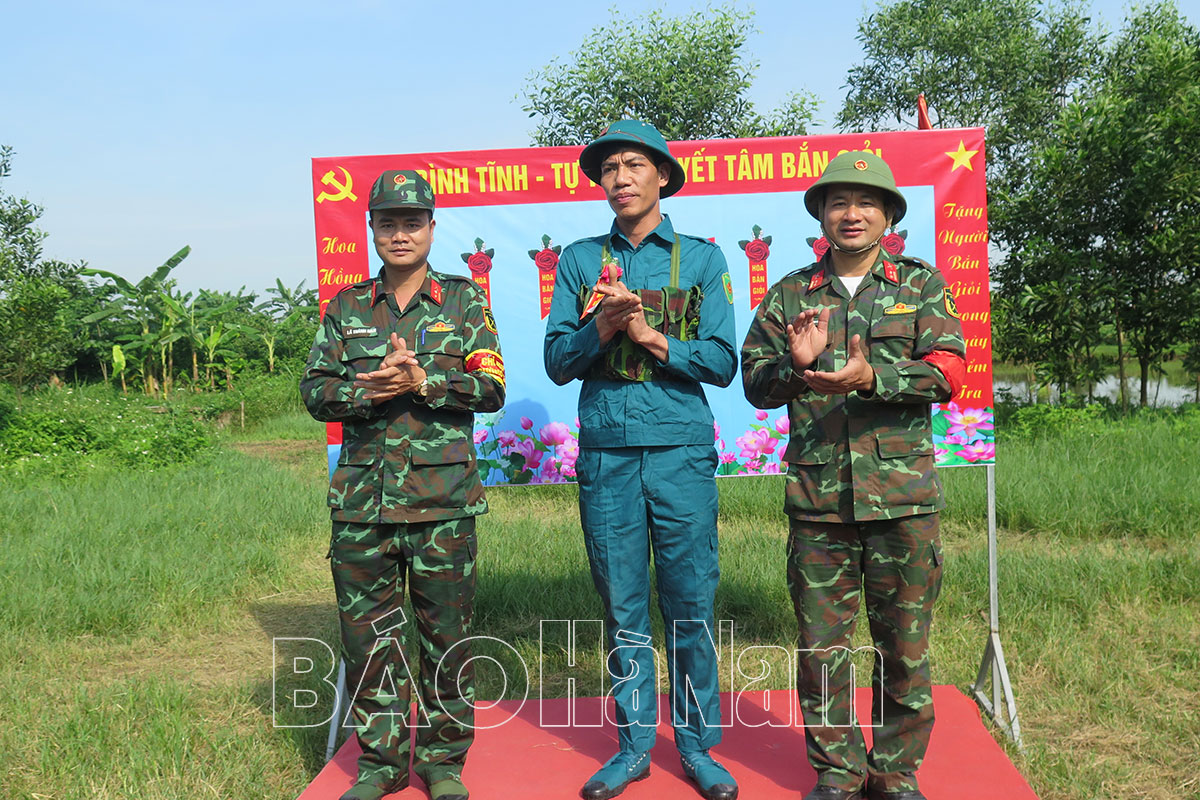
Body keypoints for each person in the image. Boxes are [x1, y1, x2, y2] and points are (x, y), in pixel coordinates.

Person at [740, 151, 966, 800]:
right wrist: (792, 362)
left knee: (905, 650)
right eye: (838, 202)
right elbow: (755, 384)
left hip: (903, 502)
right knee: (821, 653)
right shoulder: (789, 294)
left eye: (867, 202)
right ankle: (837, 773)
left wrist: (874, 376)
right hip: (819, 506)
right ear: (820, 214)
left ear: (889, 215)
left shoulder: (920, 286)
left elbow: (950, 373)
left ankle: (894, 774)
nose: (852, 213)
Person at [544, 119, 739, 800]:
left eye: (632, 165)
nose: (619, 178)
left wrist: (650, 335)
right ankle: (632, 748)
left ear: (661, 174)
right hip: (607, 458)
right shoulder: (578, 260)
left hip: (681, 453)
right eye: (608, 169)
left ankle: (696, 748)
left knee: (690, 603)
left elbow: (720, 363)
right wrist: (600, 326)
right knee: (623, 607)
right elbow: (556, 362)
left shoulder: (704, 261)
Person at [301, 169, 505, 800]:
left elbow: (491, 386)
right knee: (369, 641)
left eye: (411, 222)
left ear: (431, 229)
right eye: (387, 222)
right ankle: (381, 764)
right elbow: (314, 391)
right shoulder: (346, 308)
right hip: (362, 505)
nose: (399, 233)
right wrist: (368, 389)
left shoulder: (465, 302)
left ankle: (443, 762)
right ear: (371, 229)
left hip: (442, 504)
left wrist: (422, 383)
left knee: (447, 637)